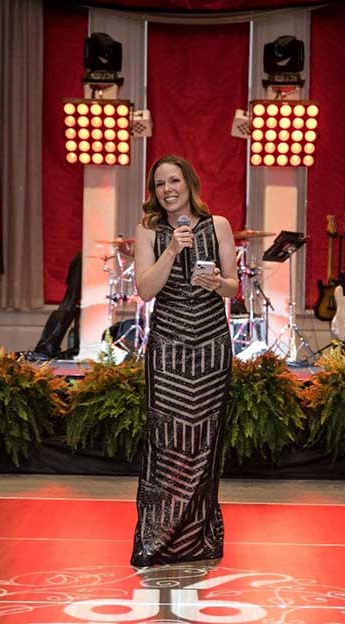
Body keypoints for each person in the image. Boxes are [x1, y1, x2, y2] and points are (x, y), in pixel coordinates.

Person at [131, 155, 238, 567]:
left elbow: (233, 288)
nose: (167, 189)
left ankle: (199, 538)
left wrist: (219, 283)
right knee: (167, 439)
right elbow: (145, 290)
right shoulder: (149, 231)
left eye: (173, 180)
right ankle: (159, 537)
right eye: (159, 184)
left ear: (189, 183)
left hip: (211, 345)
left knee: (205, 440)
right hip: (168, 346)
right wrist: (173, 249)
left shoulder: (220, 226)